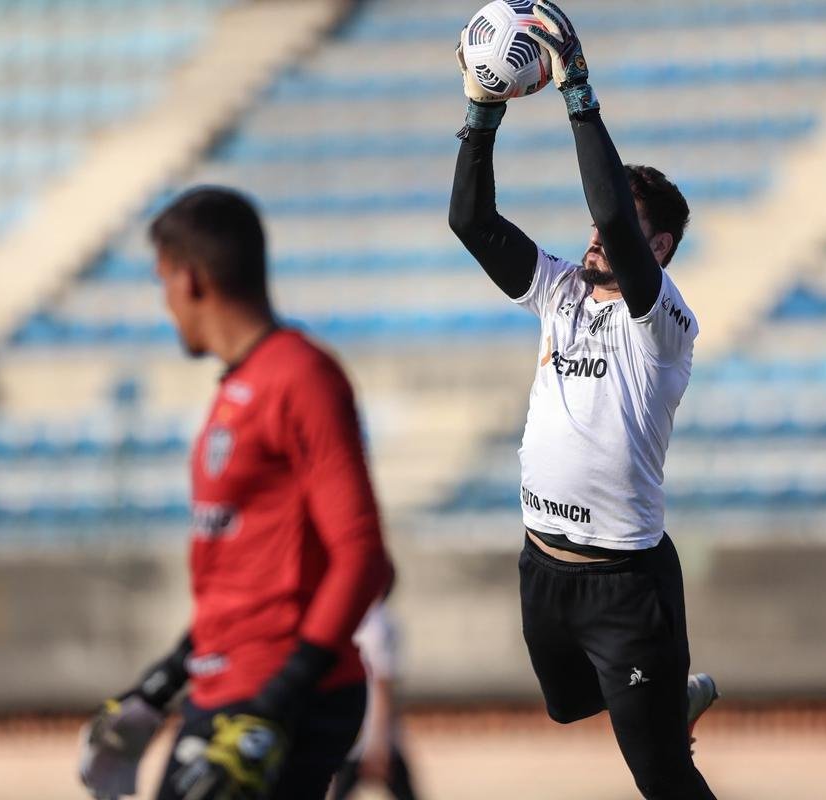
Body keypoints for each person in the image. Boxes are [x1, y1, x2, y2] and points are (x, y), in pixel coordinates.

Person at [449, 3, 718, 798]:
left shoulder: (663, 320)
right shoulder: (560, 287)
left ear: (659, 249)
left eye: (624, 231)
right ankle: (667, 706)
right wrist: (480, 109)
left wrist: (577, 92)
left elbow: (613, 220)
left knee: (663, 781)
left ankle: (667, 716)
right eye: (601, 229)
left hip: (625, 586)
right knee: (567, 706)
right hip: (543, 566)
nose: (597, 239)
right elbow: (470, 219)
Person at [78, 186, 394, 800]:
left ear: (190, 279)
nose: (164, 301)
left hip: (273, 699)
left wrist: (277, 704)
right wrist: (162, 682)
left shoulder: (301, 377)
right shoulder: (238, 386)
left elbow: (363, 558)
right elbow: (244, 576)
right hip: (223, 690)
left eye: (162, 280)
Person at [331, 598, 420, 800]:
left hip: (363, 734)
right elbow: (382, 684)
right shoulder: (372, 623)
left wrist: (378, 742)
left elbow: (381, 683)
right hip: (366, 734)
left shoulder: (371, 623)